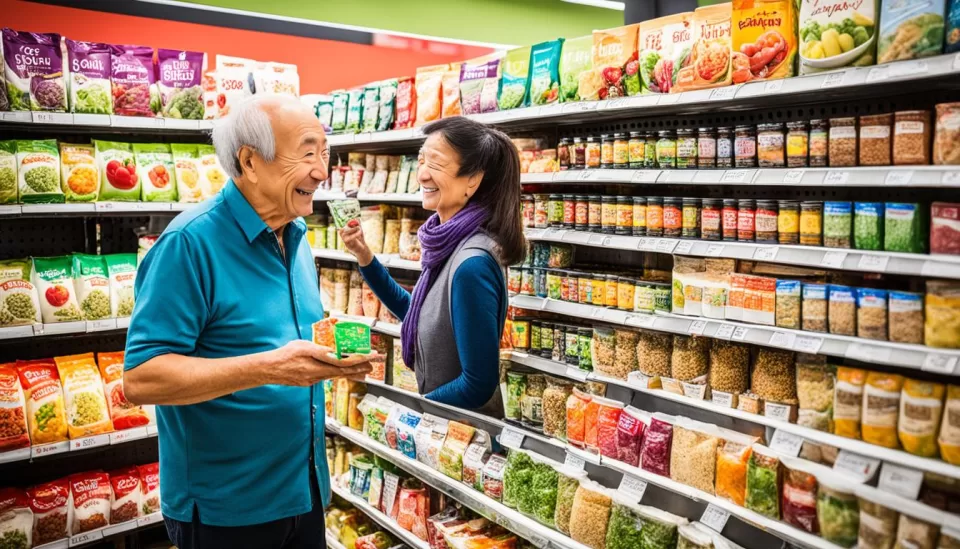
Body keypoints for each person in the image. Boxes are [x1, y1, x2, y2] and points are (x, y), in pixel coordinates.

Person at [123, 95, 372, 549]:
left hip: (305, 492)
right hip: (228, 511)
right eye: (307, 152)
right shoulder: (188, 244)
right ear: (250, 162)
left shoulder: (295, 237)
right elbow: (142, 379)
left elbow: (277, 338)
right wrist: (270, 368)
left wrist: (333, 356)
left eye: (325, 153)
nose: (321, 171)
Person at [340, 116, 525, 413]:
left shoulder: (471, 264)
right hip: (446, 430)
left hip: (464, 439)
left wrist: (413, 412)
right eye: (420, 161)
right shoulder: (450, 244)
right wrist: (364, 255)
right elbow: (418, 313)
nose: (422, 175)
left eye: (435, 163)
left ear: (472, 180)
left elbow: (478, 383)